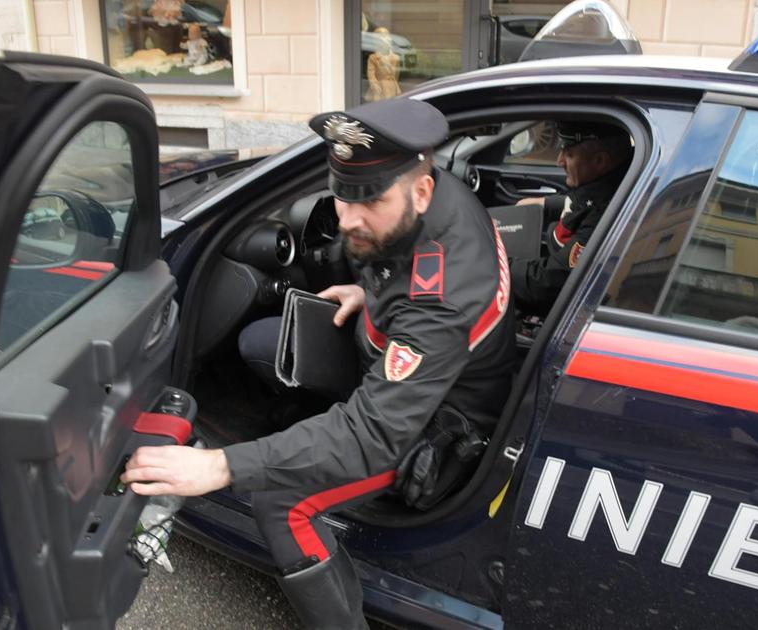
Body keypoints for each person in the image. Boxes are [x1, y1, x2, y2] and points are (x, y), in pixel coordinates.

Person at [121, 99, 515, 629]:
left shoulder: (442, 294)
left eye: (369, 200)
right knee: (264, 342)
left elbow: (374, 435)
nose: (348, 219)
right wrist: (367, 292)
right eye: (341, 194)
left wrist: (219, 466)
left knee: (281, 499)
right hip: (409, 365)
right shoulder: (436, 194)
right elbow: (405, 270)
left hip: (435, 428)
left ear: (420, 192)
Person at [509, 121, 632, 315]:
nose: (559, 161)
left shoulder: (606, 215)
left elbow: (547, 284)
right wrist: (545, 204)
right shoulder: (613, 182)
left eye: (569, 154)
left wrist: (493, 263)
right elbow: (582, 202)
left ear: (600, 161)